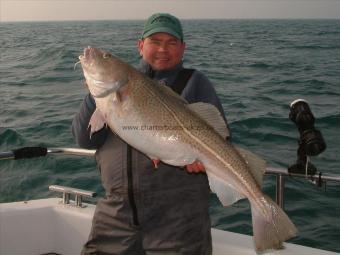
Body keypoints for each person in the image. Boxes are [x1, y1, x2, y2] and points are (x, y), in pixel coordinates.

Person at [72, 13, 230, 255]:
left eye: (172, 42)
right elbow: (85, 139)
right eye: (155, 41)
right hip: (117, 213)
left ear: (183, 48)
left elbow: (222, 141)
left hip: (178, 219)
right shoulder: (114, 87)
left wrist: (205, 164)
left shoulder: (196, 82)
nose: (163, 49)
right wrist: (95, 95)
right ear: (140, 45)